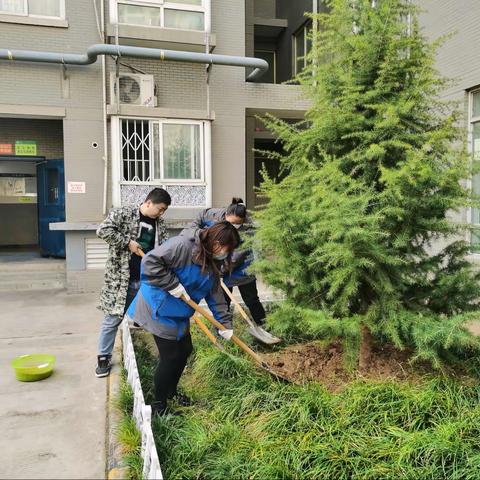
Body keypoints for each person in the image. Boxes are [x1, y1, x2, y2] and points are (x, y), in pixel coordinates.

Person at [127, 221, 240, 416]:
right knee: (170, 357)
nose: (225, 253)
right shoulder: (182, 246)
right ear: (215, 241)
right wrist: (171, 284)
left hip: (180, 310)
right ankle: (159, 405)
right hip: (158, 305)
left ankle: (171, 392)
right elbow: (150, 262)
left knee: (185, 349)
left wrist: (225, 324)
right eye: (225, 248)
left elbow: (215, 295)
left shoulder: (214, 261)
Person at [95, 188, 171, 378]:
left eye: (164, 210)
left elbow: (164, 248)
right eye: (160, 209)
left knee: (151, 317)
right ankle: (103, 357)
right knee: (113, 319)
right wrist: (127, 242)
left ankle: (159, 356)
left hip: (147, 279)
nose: (161, 213)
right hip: (122, 279)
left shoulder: (160, 224)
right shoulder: (124, 214)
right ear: (148, 202)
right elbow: (102, 230)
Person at [182, 198, 267, 327]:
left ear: (243, 221)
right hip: (219, 267)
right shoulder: (213, 215)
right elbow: (197, 220)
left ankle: (264, 326)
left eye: (237, 224)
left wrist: (217, 271)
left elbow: (235, 257)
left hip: (242, 270)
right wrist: (199, 234)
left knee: (252, 300)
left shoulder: (248, 229)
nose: (232, 227)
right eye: (230, 222)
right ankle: (225, 330)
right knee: (223, 303)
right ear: (226, 214)